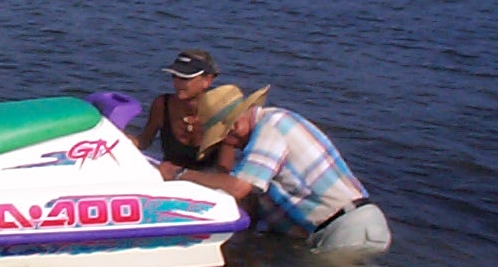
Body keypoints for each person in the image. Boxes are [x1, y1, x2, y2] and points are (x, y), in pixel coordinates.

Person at [159, 84, 391, 254]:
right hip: (355, 225)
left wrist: (180, 174)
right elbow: (253, 199)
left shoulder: (271, 128)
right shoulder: (270, 132)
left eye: (225, 137)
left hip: (347, 228)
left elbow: (239, 188)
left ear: (236, 125)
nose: (229, 144)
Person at [134, 49, 235, 172]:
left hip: (206, 184)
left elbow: (224, 170)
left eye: (185, 78)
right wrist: (119, 138)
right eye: (175, 76)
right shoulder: (162, 105)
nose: (177, 82)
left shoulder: (222, 114)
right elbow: (144, 140)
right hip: (169, 179)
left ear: (207, 80)